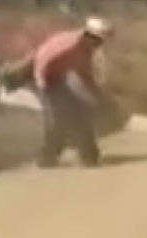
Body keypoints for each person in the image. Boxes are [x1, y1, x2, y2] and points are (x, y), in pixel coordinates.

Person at [31, 17, 115, 168]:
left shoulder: (84, 48)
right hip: (46, 80)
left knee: (75, 116)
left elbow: (84, 74)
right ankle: (56, 158)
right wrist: (45, 89)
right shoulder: (69, 46)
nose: (101, 45)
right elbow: (42, 62)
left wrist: (98, 95)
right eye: (100, 40)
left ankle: (85, 157)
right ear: (91, 36)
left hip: (56, 78)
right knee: (63, 119)